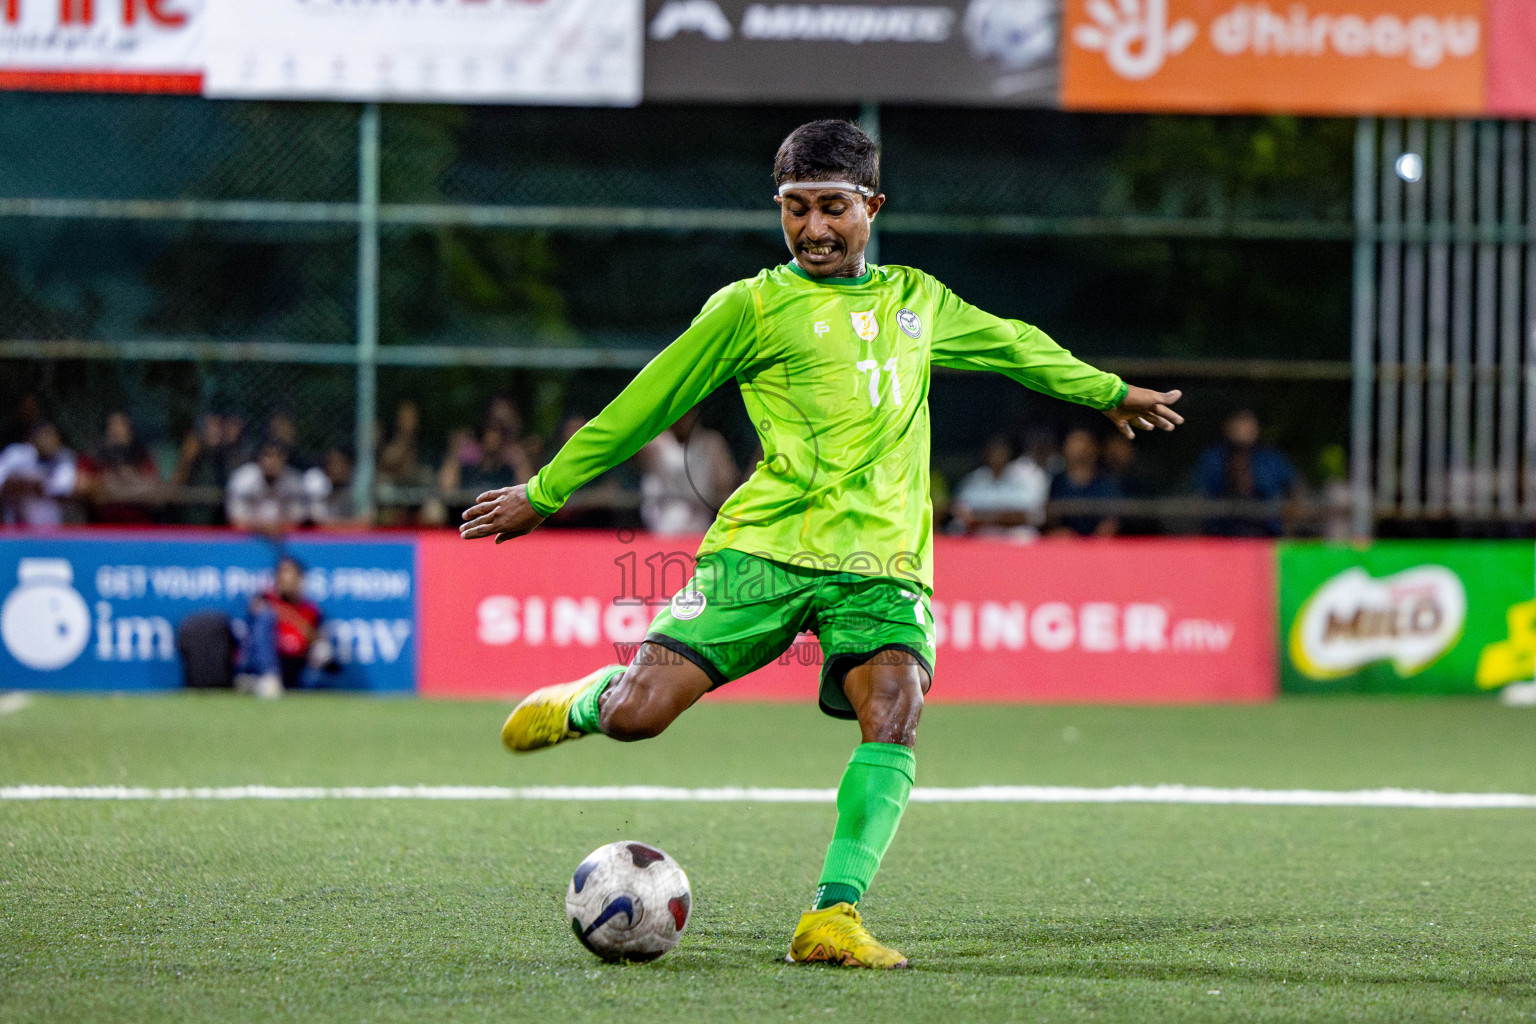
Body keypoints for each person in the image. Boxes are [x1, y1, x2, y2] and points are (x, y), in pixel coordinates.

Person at [459, 120, 1184, 968]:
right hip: (762, 549)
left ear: (871, 207)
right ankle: (593, 700)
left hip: (882, 564)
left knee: (896, 706)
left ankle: (831, 916)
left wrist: (1104, 393)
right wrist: (543, 491)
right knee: (638, 719)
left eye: (833, 208)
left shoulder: (920, 301)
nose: (814, 229)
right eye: (795, 209)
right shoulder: (749, 307)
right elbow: (644, 402)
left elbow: (1014, 345)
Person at [1194, 409, 1298, 536]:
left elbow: (1293, 490)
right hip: (1220, 533)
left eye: (1248, 422)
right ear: (1228, 427)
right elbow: (1199, 495)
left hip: (1266, 531)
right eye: (1240, 421)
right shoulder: (1212, 458)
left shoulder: (1272, 458)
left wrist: (1289, 524)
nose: (1244, 427)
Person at [233, 555, 325, 698]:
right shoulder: (264, 601)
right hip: (268, 662)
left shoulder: (311, 611)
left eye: (289, 573)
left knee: (316, 678)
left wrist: (319, 645)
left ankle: (260, 685)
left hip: (295, 666)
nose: (285, 578)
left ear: (300, 579)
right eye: (281, 573)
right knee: (265, 616)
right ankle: (267, 678)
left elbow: (317, 640)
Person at [638, 408, 738, 536]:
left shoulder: (711, 443)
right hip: (660, 526)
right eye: (677, 415)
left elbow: (727, 484)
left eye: (686, 415)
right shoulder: (655, 443)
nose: (681, 420)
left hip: (698, 526)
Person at [949, 433, 1048, 537]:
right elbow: (960, 510)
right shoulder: (977, 478)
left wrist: (985, 517)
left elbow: (1029, 515)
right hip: (983, 535)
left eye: (1000, 451)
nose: (996, 456)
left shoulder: (1025, 475)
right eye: (993, 451)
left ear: (1009, 453)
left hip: (1015, 535)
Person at [78, 411, 161, 524]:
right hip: (103, 526)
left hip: (140, 526)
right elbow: (81, 487)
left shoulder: (141, 456)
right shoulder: (92, 456)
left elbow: (154, 487)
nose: (117, 430)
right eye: (112, 425)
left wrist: (128, 480)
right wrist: (103, 481)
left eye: (122, 425)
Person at [225, 441, 315, 535]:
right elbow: (237, 520)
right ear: (259, 458)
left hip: (284, 536)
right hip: (248, 537)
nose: (273, 461)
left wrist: (276, 527)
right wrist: (263, 527)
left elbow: (297, 519)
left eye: (278, 456)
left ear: (284, 459)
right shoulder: (243, 479)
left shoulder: (294, 482)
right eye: (268, 455)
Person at [0, 422, 79, 527]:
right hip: (15, 528)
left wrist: (28, 482)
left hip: (50, 530)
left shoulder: (64, 458)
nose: (49, 440)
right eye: (45, 435)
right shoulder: (17, 453)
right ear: (33, 437)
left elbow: (64, 489)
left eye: (52, 436)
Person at [1048, 428, 1122, 537]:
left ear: (1095, 448)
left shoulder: (1106, 482)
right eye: (1075, 442)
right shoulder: (1056, 481)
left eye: (1085, 442)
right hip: (1065, 544)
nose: (1080, 448)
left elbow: (1112, 521)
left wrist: (1090, 544)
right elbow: (1049, 520)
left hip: (1096, 545)